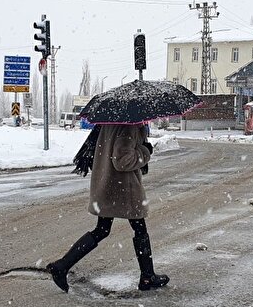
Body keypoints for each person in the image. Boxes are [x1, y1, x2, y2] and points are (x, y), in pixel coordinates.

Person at [47, 124, 170, 293]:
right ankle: (147, 277)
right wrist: (145, 151)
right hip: (124, 189)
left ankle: (62, 265)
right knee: (139, 229)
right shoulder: (128, 127)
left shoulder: (109, 123)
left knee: (102, 229)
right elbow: (123, 161)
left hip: (109, 185)